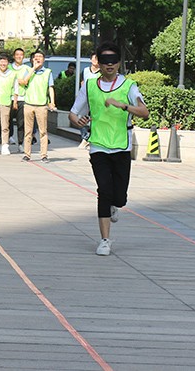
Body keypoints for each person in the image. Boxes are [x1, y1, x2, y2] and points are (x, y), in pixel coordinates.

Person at [69, 42, 149, 256]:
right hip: (98, 146)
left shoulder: (129, 86)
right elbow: (74, 112)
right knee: (104, 191)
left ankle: (115, 203)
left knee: (119, 197)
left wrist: (123, 105)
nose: (109, 65)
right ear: (98, 62)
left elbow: (144, 112)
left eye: (113, 61)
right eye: (105, 61)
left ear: (119, 63)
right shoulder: (89, 85)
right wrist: (79, 121)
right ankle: (105, 239)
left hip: (122, 146)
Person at [20, 50, 56, 162]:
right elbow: (24, 82)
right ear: (32, 59)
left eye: (40, 56)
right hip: (29, 104)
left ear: (44, 59)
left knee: (43, 131)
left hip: (41, 105)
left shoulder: (48, 72)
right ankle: (27, 154)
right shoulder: (28, 71)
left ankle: (44, 155)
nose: (38, 58)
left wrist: (52, 102)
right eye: (36, 57)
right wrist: (33, 68)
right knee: (28, 131)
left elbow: (50, 88)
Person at [78, 53, 101, 149]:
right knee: (80, 118)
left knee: (95, 119)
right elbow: (82, 83)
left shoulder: (102, 72)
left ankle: (88, 139)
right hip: (85, 98)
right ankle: (86, 137)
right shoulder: (85, 71)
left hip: (97, 100)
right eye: (94, 58)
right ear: (91, 59)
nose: (96, 60)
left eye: (98, 58)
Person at [8, 48, 29, 146]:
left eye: (21, 55)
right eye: (17, 54)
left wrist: (21, 81)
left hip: (22, 98)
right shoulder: (8, 67)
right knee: (8, 120)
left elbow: (26, 82)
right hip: (9, 97)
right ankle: (9, 137)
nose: (19, 56)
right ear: (14, 56)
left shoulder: (26, 68)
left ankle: (20, 143)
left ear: (23, 56)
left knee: (21, 122)